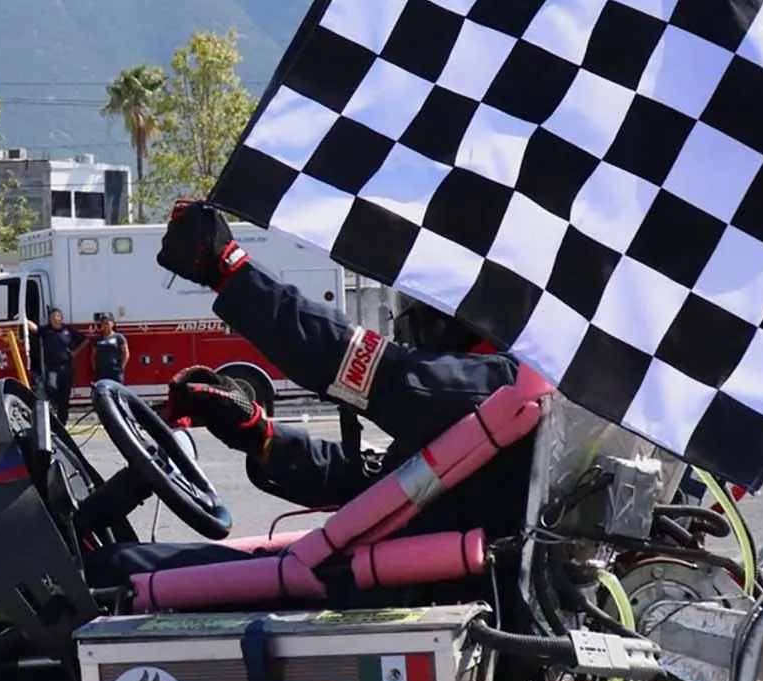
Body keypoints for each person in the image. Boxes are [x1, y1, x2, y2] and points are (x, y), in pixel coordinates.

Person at [91, 200, 529, 584]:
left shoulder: (497, 387)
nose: (405, 326)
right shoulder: (493, 401)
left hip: (411, 583)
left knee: (113, 567)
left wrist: (228, 269)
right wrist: (261, 437)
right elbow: (373, 486)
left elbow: (359, 364)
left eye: (414, 311)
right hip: (408, 568)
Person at [35, 307, 87, 426]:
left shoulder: (68, 330)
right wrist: (24, 319)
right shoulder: (45, 330)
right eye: (52, 317)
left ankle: (62, 423)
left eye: (57, 316)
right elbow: (35, 329)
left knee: (64, 396)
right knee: (51, 389)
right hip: (52, 368)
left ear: (61, 318)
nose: (54, 319)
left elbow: (85, 340)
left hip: (66, 367)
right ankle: (54, 415)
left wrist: (75, 352)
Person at [90, 314, 126, 387]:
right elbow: (93, 356)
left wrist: (122, 366)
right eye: (103, 323)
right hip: (102, 372)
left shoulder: (119, 337)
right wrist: (95, 368)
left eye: (107, 323)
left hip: (115, 371)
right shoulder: (98, 339)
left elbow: (125, 353)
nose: (105, 325)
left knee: (117, 392)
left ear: (112, 324)